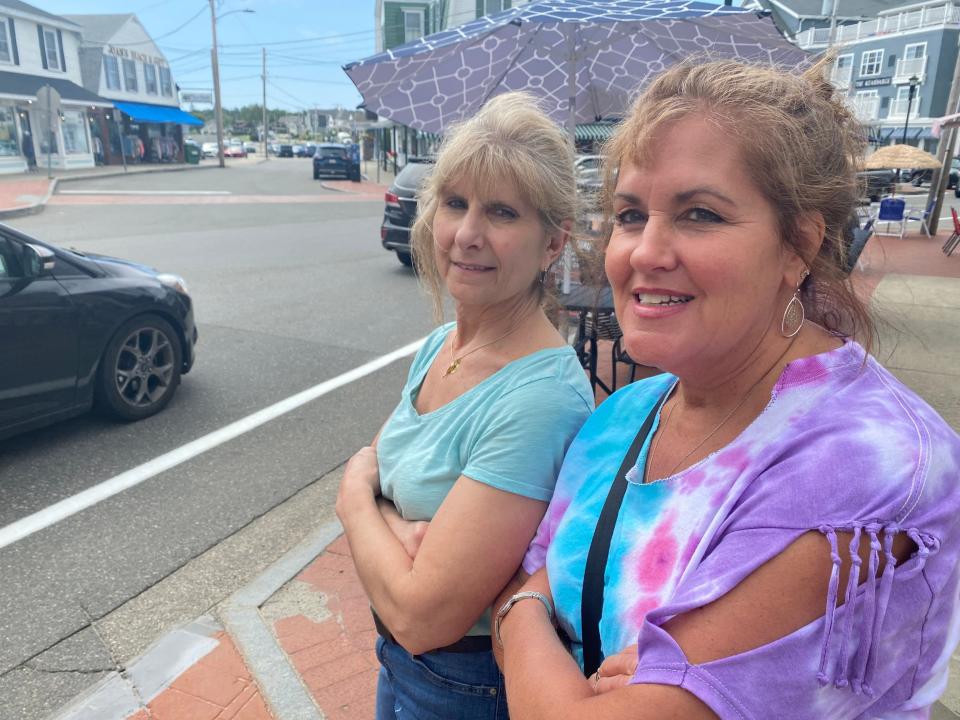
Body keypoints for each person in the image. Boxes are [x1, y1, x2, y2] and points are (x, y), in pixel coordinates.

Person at [493, 59, 960, 719]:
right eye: (630, 215)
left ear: (798, 244)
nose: (644, 252)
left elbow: (529, 607)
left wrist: (515, 620)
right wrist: (530, 610)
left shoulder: (872, 465)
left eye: (700, 214)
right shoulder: (623, 416)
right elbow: (532, 578)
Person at [335, 91, 594, 720]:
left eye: (502, 212)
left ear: (553, 244)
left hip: (464, 684)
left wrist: (348, 497)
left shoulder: (539, 401)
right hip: (397, 663)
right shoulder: (437, 345)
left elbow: (425, 614)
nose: (467, 235)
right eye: (455, 203)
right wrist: (395, 528)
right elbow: (383, 472)